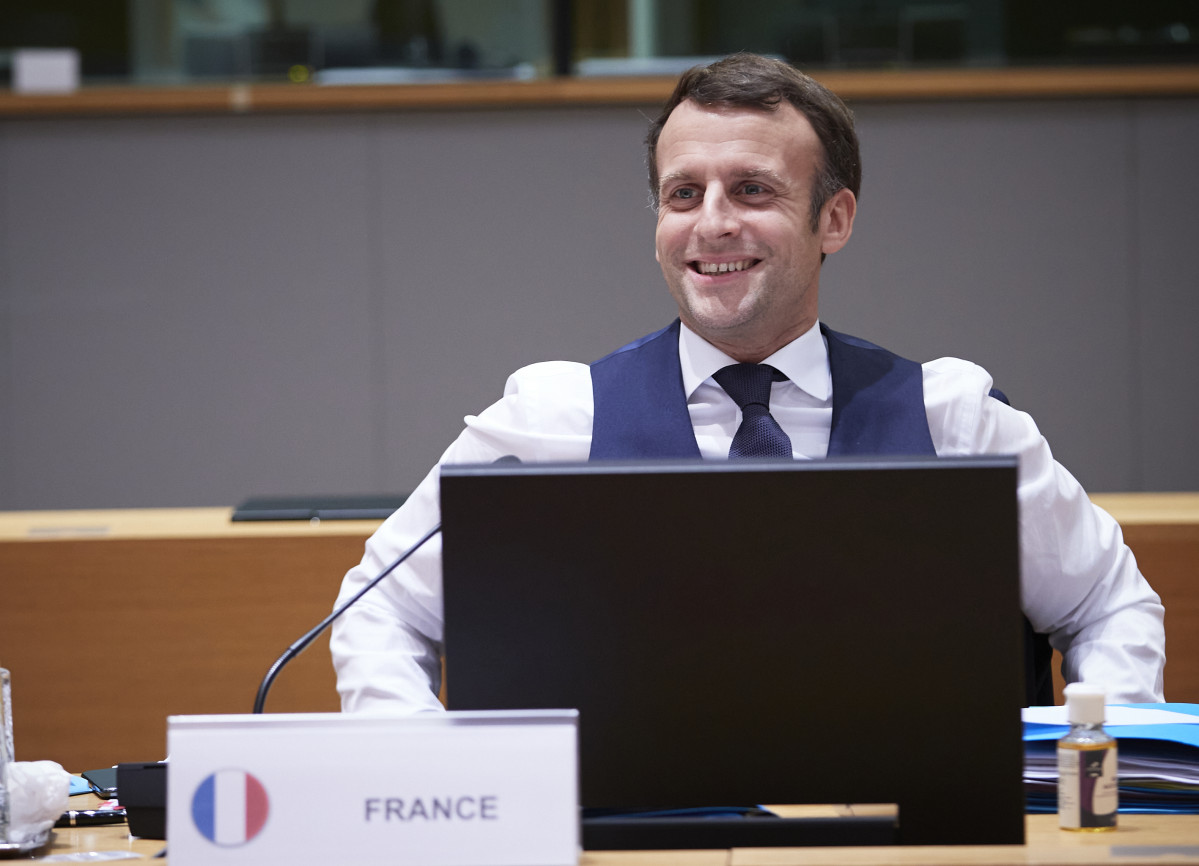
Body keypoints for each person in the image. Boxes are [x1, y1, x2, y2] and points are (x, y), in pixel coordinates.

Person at [330, 53, 1165, 712]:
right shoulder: (550, 419)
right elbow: (377, 611)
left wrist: (1095, 765)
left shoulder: (955, 418)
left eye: (753, 190)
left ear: (832, 219)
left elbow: (1109, 606)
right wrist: (430, 768)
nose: (712, 223)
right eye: (682, 193)